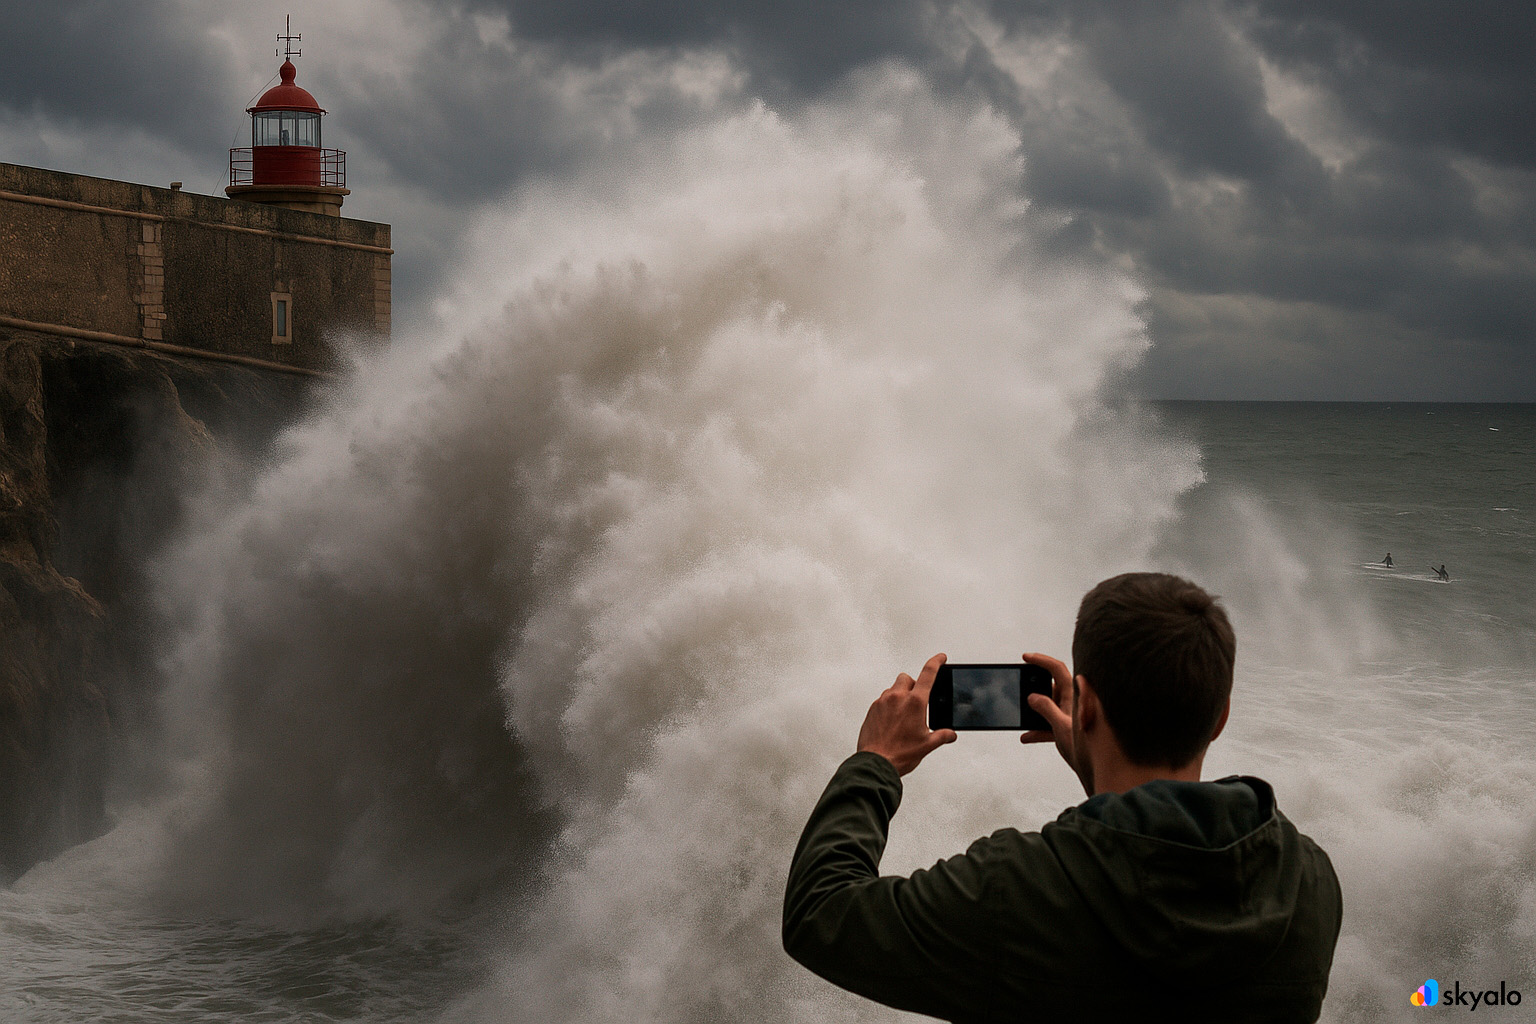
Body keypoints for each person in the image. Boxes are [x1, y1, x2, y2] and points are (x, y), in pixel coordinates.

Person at [783, 572, 1342, 1022]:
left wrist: (875, 764)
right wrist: (1101, 771)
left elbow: (820, 913)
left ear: (1088, 705)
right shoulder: (1306, 882)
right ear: (1219, 717)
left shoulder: (1018, 891)